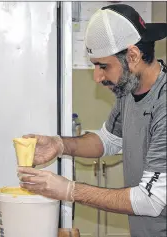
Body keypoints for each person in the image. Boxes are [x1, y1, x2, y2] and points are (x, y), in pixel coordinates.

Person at [18, 4, 167, 237]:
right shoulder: (129, 90)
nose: (97, 77)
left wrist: (70, 190)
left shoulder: (164, 106)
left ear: (133, 56)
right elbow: (108, 140)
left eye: (103, 66)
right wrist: (59, 144)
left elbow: (151, 199)